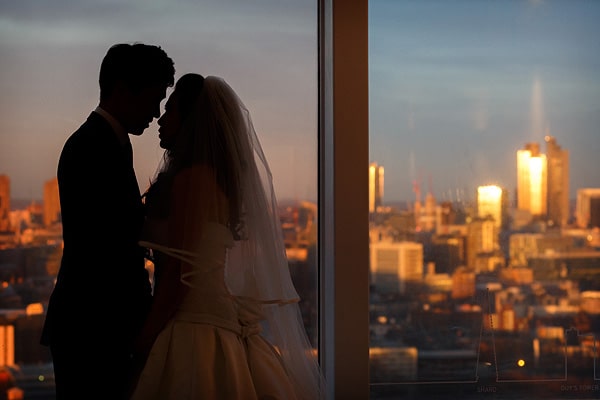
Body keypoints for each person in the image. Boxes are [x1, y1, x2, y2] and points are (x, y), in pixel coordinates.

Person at [129, 74, 325, 400]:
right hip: (212, 319)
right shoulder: (216, 180)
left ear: (192, 121)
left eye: (172, 110)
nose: (161, 119)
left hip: (191, 322)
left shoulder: (192, 181)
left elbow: (179, 274)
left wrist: (144, 340)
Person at [40, 43, 175, 400]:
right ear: (122, 89)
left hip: (96, 326)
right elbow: (104, 246)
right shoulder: (91, 147)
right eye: (153, 98)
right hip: (93, 328)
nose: (157, 112)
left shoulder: (105, 142)